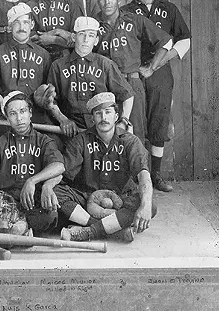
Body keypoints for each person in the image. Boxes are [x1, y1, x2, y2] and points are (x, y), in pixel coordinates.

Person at [123, 0, 192, 192]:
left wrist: (158, 62)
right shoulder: (126, 11)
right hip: (134, 73)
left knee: (159, 122)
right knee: (136, 122)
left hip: (160, 73)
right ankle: (137, 176)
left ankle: (156, 174)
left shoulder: (169, 9)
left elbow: (184, 40)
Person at [51, 92, 156, 242]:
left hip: (120, 199)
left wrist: (145, 206)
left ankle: (88, 232)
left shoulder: (130, 141)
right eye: (98, 114)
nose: (104, 118)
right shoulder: (81, 140)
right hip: (86, 198)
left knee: (150, 204)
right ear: (92, 118)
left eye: (108, 112)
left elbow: (143, 176)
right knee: (54, 191)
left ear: (116, 116)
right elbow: (62, 171)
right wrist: (48, 187)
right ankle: (111, 230)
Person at [0, 91, 65, 235]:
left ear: (30, 113)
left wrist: (32, 181)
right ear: (7, 118)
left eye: (22, 111)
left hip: (31, 201)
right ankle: (17, 229)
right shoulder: (1, 142)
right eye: (12, 114)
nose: (19, 118)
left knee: (50, 215)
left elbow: (59, 165)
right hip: (4, 200)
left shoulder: (43, 141)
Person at [94, 0, 172, 147]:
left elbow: (166, 42)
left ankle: (141, 174)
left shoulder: (134, 20)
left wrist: (152, 67)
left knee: (135, 134)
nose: (107, 2)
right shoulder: (92, 25)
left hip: (131, 82)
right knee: (105, 135)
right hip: (104, 85)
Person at [43, 16, 135, 137]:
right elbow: (50, 101)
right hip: (71, 128)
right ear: (74, 37)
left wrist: (123, 120)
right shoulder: (58, 66)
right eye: (82, 34)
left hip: (101, 124)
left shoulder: (105, 64)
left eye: (91, 35)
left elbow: (127, 95)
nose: (86, 39)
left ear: (96, 40)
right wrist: (63, 120)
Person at [0, 2, 52, 123]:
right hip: (6, 116)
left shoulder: (44, 55)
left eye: (26, 22)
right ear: (9, 27)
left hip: (36, 116)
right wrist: (8, 111)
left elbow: (48, 91)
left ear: (32, 25)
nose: (22, 27)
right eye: (17, 23)